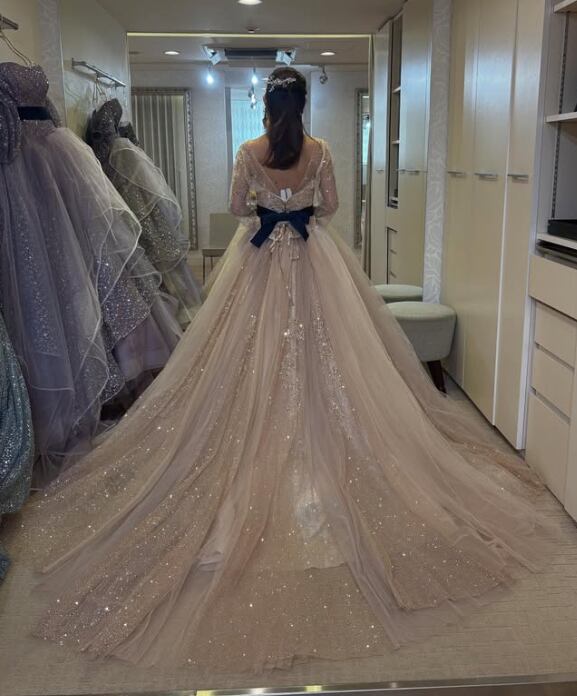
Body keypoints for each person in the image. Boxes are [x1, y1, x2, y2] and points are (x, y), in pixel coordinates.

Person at [15, 67, 553, 673]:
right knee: (334, 353)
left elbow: (236, 208)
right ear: (303, 105)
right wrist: (300, 208)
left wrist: (267, 209)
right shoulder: (319, 150)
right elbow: (331, 207)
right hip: (314, 258)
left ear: (268, 108)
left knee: (240, 354)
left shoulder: (249, 150)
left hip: (258, 263)